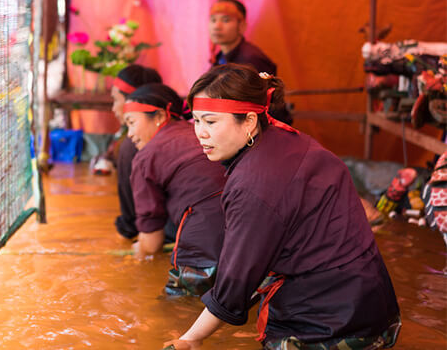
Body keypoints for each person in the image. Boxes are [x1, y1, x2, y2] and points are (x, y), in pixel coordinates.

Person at [163, 63, 400, 349]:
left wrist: (191, 339)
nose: (200, 133)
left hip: (327, 329)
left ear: (249, 121)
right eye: (197, 121)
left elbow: (234, 286)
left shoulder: (253, 183)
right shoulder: (292, 141)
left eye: (211, 122)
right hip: (377, 314)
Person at [123, 83, 227, 296]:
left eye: (132, 123)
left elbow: (151, 244)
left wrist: (139, 250)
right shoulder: (196, 133)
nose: (130, 134)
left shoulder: (146, 157)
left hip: (206, 248)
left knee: (169, 313)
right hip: (249, 232)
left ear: (160, 116)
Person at [209, 0, 292, 125]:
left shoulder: (251, 59)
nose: (217, 26)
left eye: (226, 20)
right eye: (213, 20)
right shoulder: (220, 57)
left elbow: (263, 105)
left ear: (241, 26)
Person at [109, 64, 167, 240]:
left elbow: (131, 219)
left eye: (115, 100)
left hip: (164, 235)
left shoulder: (132, 145)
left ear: (131, 102)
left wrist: (126, 231)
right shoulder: (175, 129)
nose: (113, 108)